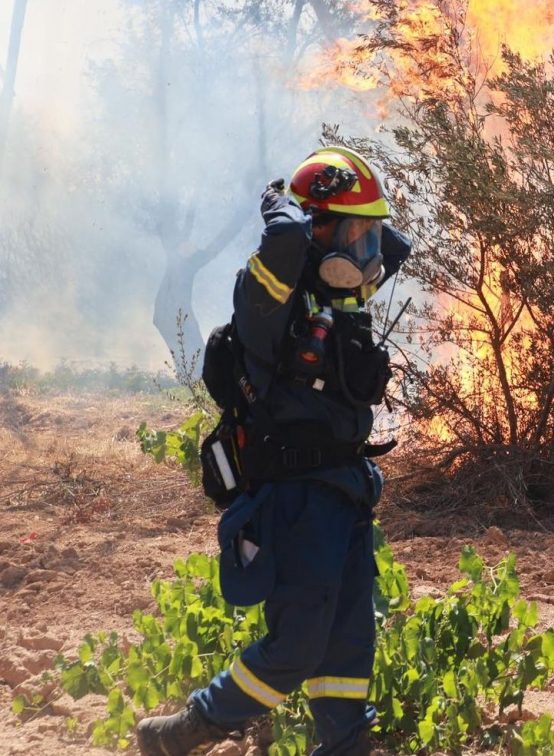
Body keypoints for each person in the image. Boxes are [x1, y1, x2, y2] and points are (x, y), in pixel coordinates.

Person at [136, 146, 412, 756]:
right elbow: (287, 247)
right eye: (355, 232)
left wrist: (352, 224)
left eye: (369, 233)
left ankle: (344, 748)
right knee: (296, 647)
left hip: (344, 496)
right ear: (315, 232)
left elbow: (397, 249)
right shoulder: (266, 302)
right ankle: (190, 729)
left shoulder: (340, 301)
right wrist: (285, 211)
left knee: (346, 647)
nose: (368, 250)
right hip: (294, 500)